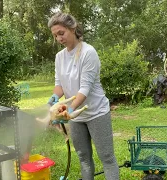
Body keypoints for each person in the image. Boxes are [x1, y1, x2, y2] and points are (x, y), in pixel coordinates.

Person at [47, 12, 120, 180]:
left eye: (61, 33)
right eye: (55, 35)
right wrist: (52, 102)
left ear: (72, 29)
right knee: (84, 159)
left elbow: (84, 89)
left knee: (107, 158)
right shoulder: (59, 57)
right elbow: (60, 85)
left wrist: (68, 111)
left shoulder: (88, 52)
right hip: (76, 117)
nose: (59, 38)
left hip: (96, 112)